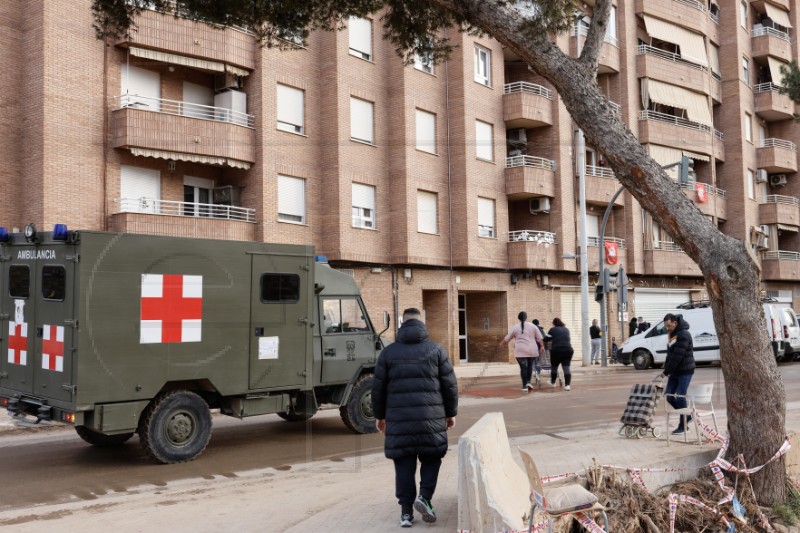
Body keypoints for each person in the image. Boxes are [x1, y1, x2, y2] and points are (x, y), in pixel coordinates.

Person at [372, 308, 458, 528]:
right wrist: (451, 414)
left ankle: (406, 513)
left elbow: (378, 389)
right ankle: (425, 498)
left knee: (404, 464)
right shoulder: (436, 350)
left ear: (402, 324)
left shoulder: (388, 353)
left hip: (399, 422)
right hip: (431, 419)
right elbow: (449, 386)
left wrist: (380, 416)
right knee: (431, 458)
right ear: (422, 323)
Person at [657, 313, 695, 435]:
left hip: (685, 371)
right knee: (668, 395)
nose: (667, 328)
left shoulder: (683, 334)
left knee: (679, 396)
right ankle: (688, 415)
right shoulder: (672, 334)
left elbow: (678, 356)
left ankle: (683, 426)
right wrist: (665, 369)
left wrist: (666, 371)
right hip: (675, 371)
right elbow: (670, 355)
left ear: (675, 323)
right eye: (666, 326)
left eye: (669, 326)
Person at [500, 311, 544, 391]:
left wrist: (502, 343)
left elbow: (508, 337)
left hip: (520, 350)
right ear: (526, 317)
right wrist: (542, 346)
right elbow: (539, 337)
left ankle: (524, 386)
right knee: (530, 366)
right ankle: (528, 382)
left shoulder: (515, 327)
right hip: (532, 350)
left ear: (518, 318)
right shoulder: (533, 326)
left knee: (523, 367)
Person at [547, 318, 574, 391]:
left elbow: (547, 339)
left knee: (554, 367)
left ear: (554, 323)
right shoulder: (566, 329)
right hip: (568, 350)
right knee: (566, 368)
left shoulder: (552, 329)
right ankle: (567, 385)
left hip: (557, 350)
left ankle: (553, 382)